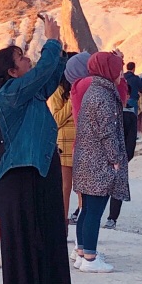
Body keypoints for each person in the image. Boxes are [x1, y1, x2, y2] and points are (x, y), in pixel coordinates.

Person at [0, 17, 71, 284]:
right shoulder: (10, 94)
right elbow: (44, 73)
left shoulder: (30, 92)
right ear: (12, 71)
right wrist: (51, 41)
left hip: (41, 171)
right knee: (19, 243)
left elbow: (52, 75)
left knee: (45, 238)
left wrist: (60, 50)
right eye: (21, 57)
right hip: (16, 178)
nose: (26, 58)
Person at [70, 51, 129, 272]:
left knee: (86, 209)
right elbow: (107, 131)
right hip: (98, 160)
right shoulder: (103, 95)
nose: (119, 73)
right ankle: (91, 259)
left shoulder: (92, 90)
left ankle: (82, 252)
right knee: (94, 210)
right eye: (117, 68)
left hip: (85, 157)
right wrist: (115, 159)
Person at [50, 70, 77, 227]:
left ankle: (83, 228)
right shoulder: (59, 90)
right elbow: (57, 119)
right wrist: (71, 101)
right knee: (65, 187)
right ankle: (62, 225)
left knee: (82, 187)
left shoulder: (84, 88)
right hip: (65, 140)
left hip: (82, 139)